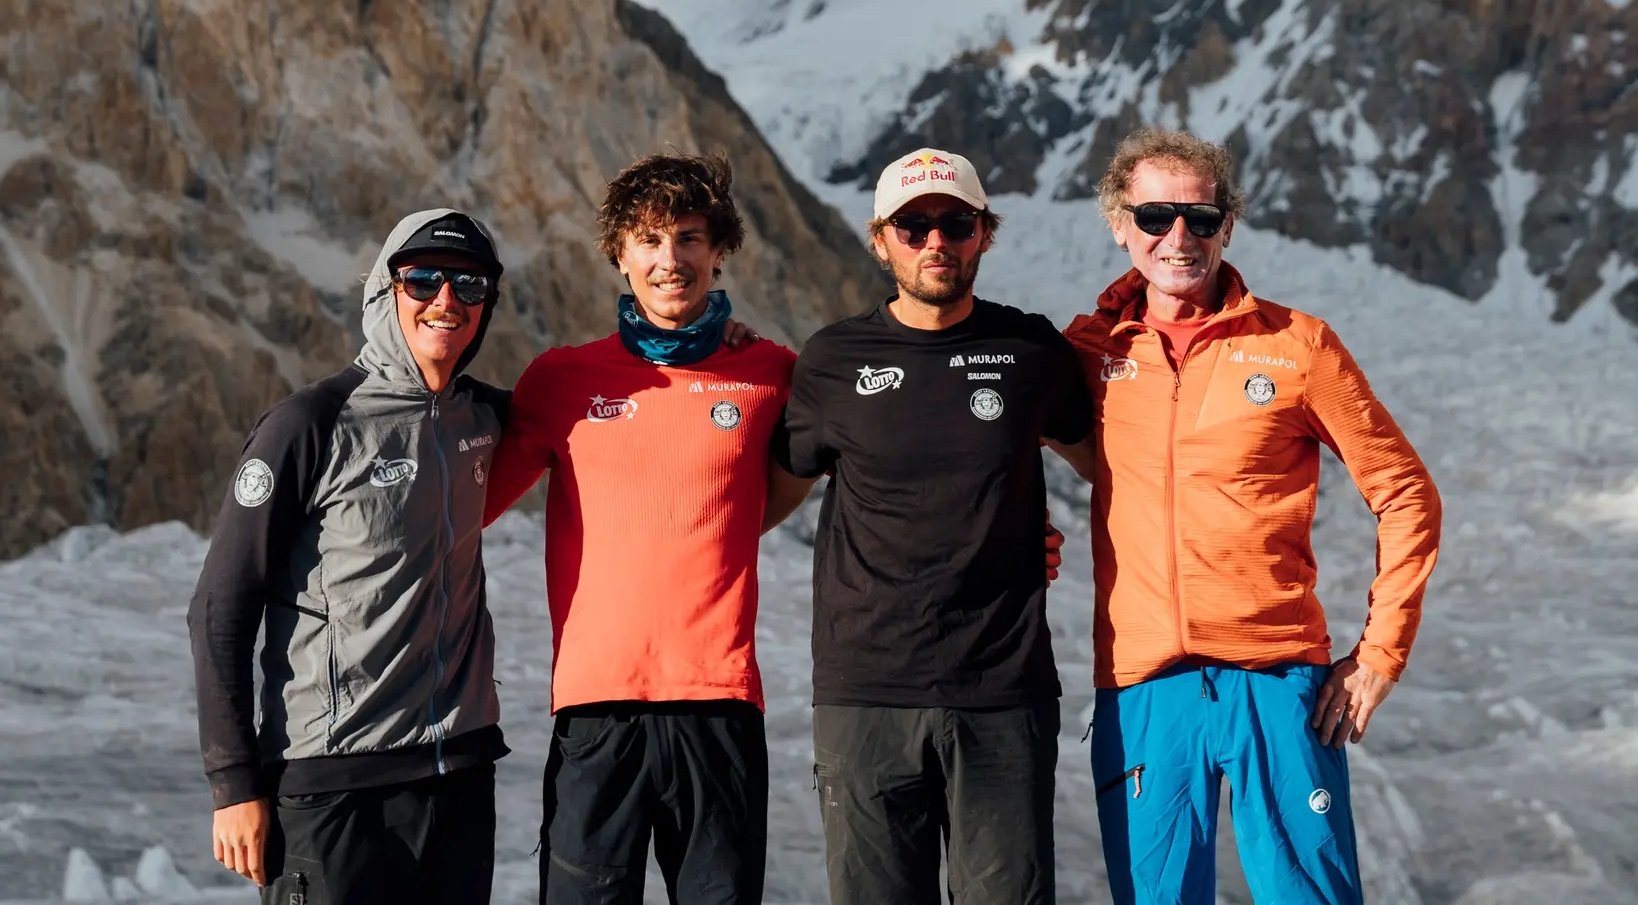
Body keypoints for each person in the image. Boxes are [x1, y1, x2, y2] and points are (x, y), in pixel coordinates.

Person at [1066, 127, 1442, 905]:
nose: (1179, 238)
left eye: (1201, 219)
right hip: (1143, 691)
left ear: (1228, 226)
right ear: (1117, 223)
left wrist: (1381, 655)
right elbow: (970, 454)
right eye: (1155, 217)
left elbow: (1404, 491)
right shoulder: (1087, 352)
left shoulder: (1297, 347)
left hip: (1279, 683)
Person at [768, 147, 1096, 905]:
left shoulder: (1031, 351)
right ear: (880, 238)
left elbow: (1112, 470)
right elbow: (761, 504)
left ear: (985, 232)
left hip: (1003, 692)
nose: (936, 242)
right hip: (865, 694)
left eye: (956, 223)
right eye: (914, 227)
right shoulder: (832, 359)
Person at [484, 152, 794, 905]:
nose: (670, 260)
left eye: (689, 238)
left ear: (718, 252)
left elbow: (848, 480)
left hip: (718, 706)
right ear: (619, 254)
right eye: (649, 240)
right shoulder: (559, 379)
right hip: (596, 713)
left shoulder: (771, 373)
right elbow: (467, 503)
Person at [189, 209, 509, 905]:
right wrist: (235, 784)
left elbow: (602, 407)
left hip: (459, 775)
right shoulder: (310, 424)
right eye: (422, 280)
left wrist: (716, 342)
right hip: (333, 785)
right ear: (383, 293)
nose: (446, 301)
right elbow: (220, 609)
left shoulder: (483, 419)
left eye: (470, 286)